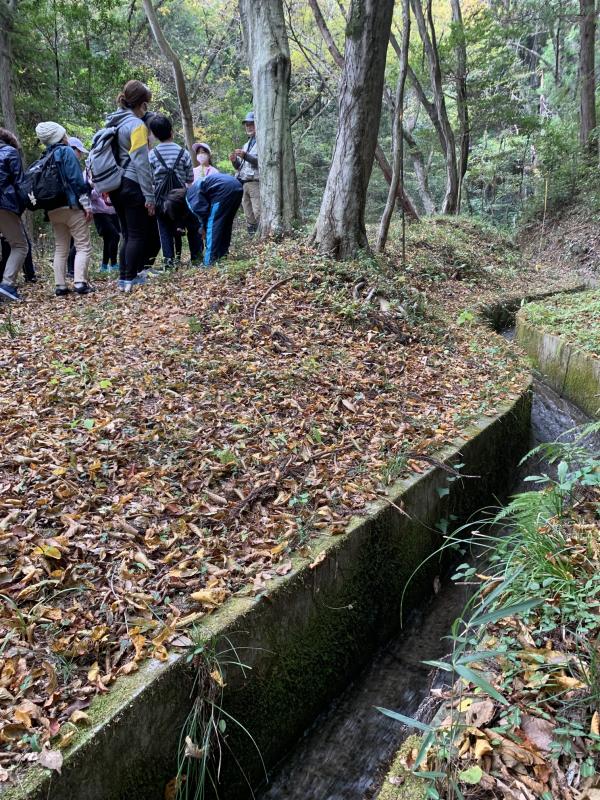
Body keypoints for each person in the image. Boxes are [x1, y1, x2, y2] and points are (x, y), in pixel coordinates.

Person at [106, 80, 156, 292]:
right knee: (137, 234)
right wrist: (150, 195)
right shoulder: (137, 126)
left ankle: (124, 279)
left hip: (115, 184)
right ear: (142, 104)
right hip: (132, 183)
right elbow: (141, 162)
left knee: (127, 233)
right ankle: (131, 278)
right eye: (146, 104)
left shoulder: (112, 123)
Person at [35, 121, 93, 296]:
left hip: (52, 209)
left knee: (61, 247)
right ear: (60, 135)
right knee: (83, 246)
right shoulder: (66, 151)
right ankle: (80, 283)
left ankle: (60, 286)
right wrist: (86, 204)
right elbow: (76, 180)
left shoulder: (45, 156)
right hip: (70, 206)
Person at [148, 114, 202, 268]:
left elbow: (150, 180)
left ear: (156, 135)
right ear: (171, 131)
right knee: (192, 226)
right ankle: (197, 258)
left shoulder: (152, 155)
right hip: (181, 199)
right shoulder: (183, 153)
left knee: (164, 229)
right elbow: (190, 179)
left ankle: (169, 262)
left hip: (161, 199)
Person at [165, 173, 242, 267]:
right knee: (225, 224)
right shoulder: (193, 190)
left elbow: (205, 217)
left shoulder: (190, 199)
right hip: (237, 185)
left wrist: (203, 228)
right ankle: (222, 255)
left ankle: (209, 262)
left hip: (223, 189)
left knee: (213, 227)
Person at [0, 127, 27, 302]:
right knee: (20, 246)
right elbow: (20, 182)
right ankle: (7, 285)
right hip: (4, 203)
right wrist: (24, 204)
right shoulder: (10, 152)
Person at [229, 111, 259, 235]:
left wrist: (245, 156)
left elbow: (260, 162)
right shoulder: (246, 144)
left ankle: (261, 236)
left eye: (251, 124)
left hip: (256, 182)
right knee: (248, 212)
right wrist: (234, 160)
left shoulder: (262, 141)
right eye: (247, 124)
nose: (249, 127)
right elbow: (239, 166)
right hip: (244, 182)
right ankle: (252, 237)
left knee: (258, 211)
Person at [66, 136, 89, 278]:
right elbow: (79, 186)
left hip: (58, 208)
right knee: (80, 244)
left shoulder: (57, 160)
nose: (80, 155)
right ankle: (77, 276)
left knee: (63, 245)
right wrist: (87, 207)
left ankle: (63, 278)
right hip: (72, 207)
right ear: (73, 149)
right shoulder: (71, 163)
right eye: (79, 151)